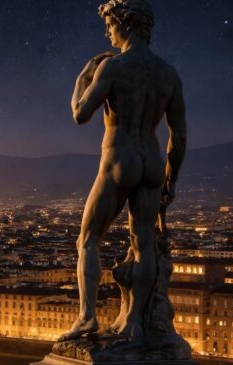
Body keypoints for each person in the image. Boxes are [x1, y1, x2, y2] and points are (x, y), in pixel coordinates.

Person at [58, 0, 187, 341]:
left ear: (126, 23)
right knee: (143, 242)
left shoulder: (113, 68)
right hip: (153, 163)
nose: (108, 32)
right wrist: (171, 178)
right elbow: (179, 135)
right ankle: (135, 323)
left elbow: (80, 114)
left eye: (110, 24)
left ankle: (87, 318)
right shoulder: (168, 74)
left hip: (120, 160)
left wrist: (83, 76)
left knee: (87, 240)